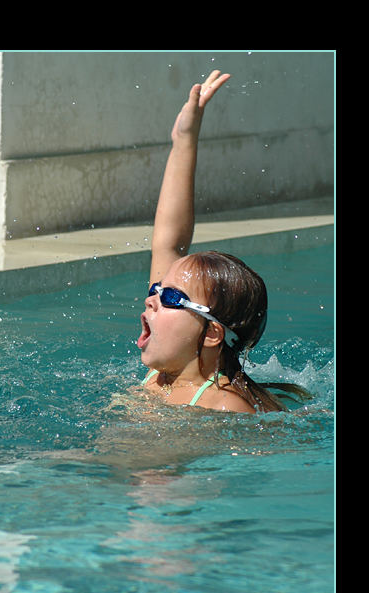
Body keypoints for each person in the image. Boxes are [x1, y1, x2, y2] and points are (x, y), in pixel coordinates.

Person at [137, 69, 307, 413]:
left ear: (212, 334)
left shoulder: (225, 406)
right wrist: (184, 139)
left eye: (169, 296)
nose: (152, 297)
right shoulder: (163, 372)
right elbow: (169, 242)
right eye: (158, 289)